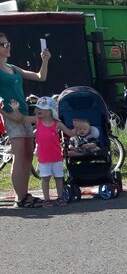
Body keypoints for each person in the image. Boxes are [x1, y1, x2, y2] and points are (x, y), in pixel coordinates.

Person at [0, 31, 51, 208]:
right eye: (3, 45)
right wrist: (8, 115)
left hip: (23, 114)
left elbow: (40, 77)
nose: (7, 47)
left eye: (8, 44)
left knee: (28, 154)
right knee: (19, 155)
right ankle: (20, 197)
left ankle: (25, 194)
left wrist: (45, 60)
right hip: (12, 116)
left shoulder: (13, 68)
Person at [29, 96, 71, 207]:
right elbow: (23, 119)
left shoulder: (57, 124)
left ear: (49, 111)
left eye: (41, 108)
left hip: (56, 156)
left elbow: (70, 133)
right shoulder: (38, 121)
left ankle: (60, 197)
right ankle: (46, 199)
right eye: (37, 108)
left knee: (58, 177)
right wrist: (14, 110)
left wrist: (77, 129)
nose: (37, 111)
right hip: (44, 157)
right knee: (45, 178)